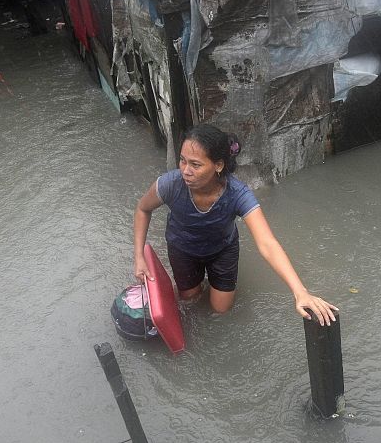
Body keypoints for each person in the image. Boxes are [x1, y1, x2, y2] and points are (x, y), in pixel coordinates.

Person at [133, 124, 339, 326]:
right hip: (182, 248)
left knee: (221, 311)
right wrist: (139, 256)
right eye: (182, 161)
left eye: (195, 165)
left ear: (218, 165)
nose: (186, 171)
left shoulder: (238, 194)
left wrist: (300, 292)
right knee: (190, 300)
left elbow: (267, 243)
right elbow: (143, 209)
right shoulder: (169, 184)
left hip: (222, 250)